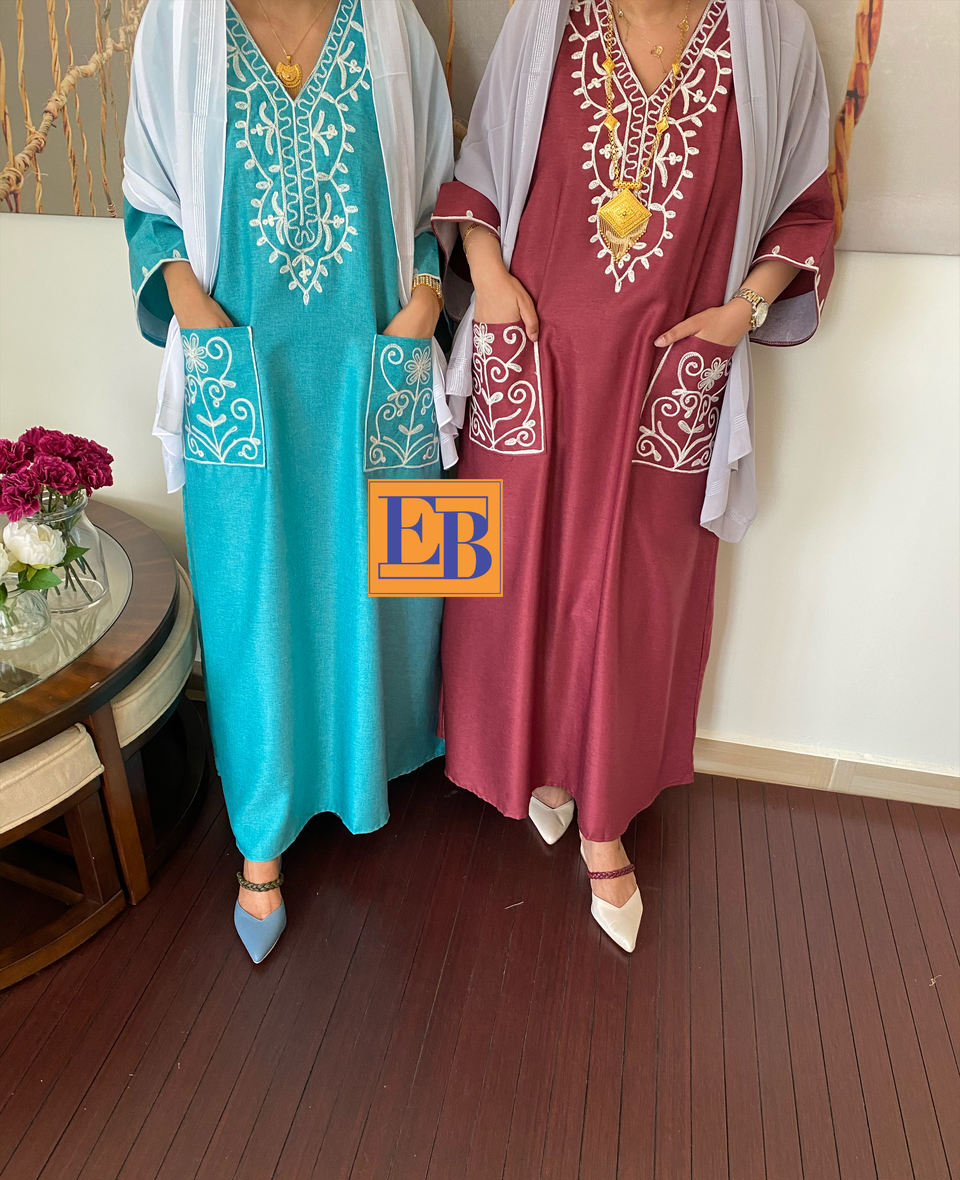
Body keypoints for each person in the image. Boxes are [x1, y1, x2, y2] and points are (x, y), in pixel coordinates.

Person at [434, 0, 835, 952]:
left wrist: (742, 313)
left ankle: (604, 820)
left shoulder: (770, 36)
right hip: (532, 355)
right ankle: (534, 767)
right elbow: (479, 175)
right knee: (503, 576)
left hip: (666, 374)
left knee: (640, 595)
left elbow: (804, 209)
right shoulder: (550, 19)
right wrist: (488, 280)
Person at [123, 0, 454, 962]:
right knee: (249, 594)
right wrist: (198, 316)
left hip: (371, 362)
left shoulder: (393, 29)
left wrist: (425, 303)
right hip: (245, 363)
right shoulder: (177, 29)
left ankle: (369, 775)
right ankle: (261, 837)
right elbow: (147, 205)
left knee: (393, 584)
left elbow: (437, 201)